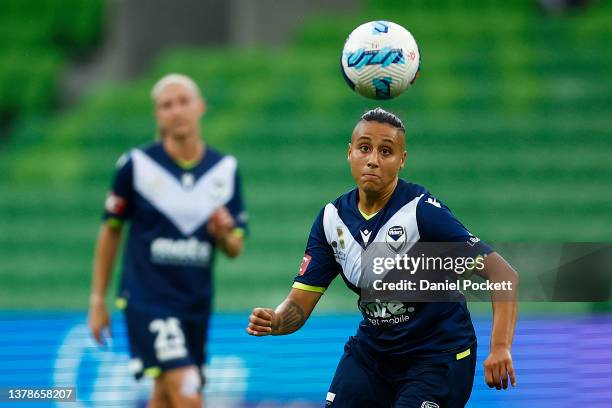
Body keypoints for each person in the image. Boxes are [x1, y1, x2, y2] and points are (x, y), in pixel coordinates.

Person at [246, 108, 518, 407]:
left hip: (437, 356)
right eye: (364, 148)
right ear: (349, 153)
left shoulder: (421, 213)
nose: (373, 159)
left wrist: (500, 347)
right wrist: (277, 320)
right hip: (374, 354)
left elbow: (503, 274)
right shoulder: (331, 220)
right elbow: (299, 305)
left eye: (385, 151)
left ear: (402, 160)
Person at [89, 73, 247, 407]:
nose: (176, 111)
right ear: (157, 116)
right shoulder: (136, 166)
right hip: (148, 299)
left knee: (164, 396)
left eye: (183, 101)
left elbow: (235, 248)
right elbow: (111, 229)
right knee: (187, 389)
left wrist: (223, 235)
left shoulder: (225, 170)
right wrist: (97, 299)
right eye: (166, 105)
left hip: (195, 302)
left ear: (200, 107)